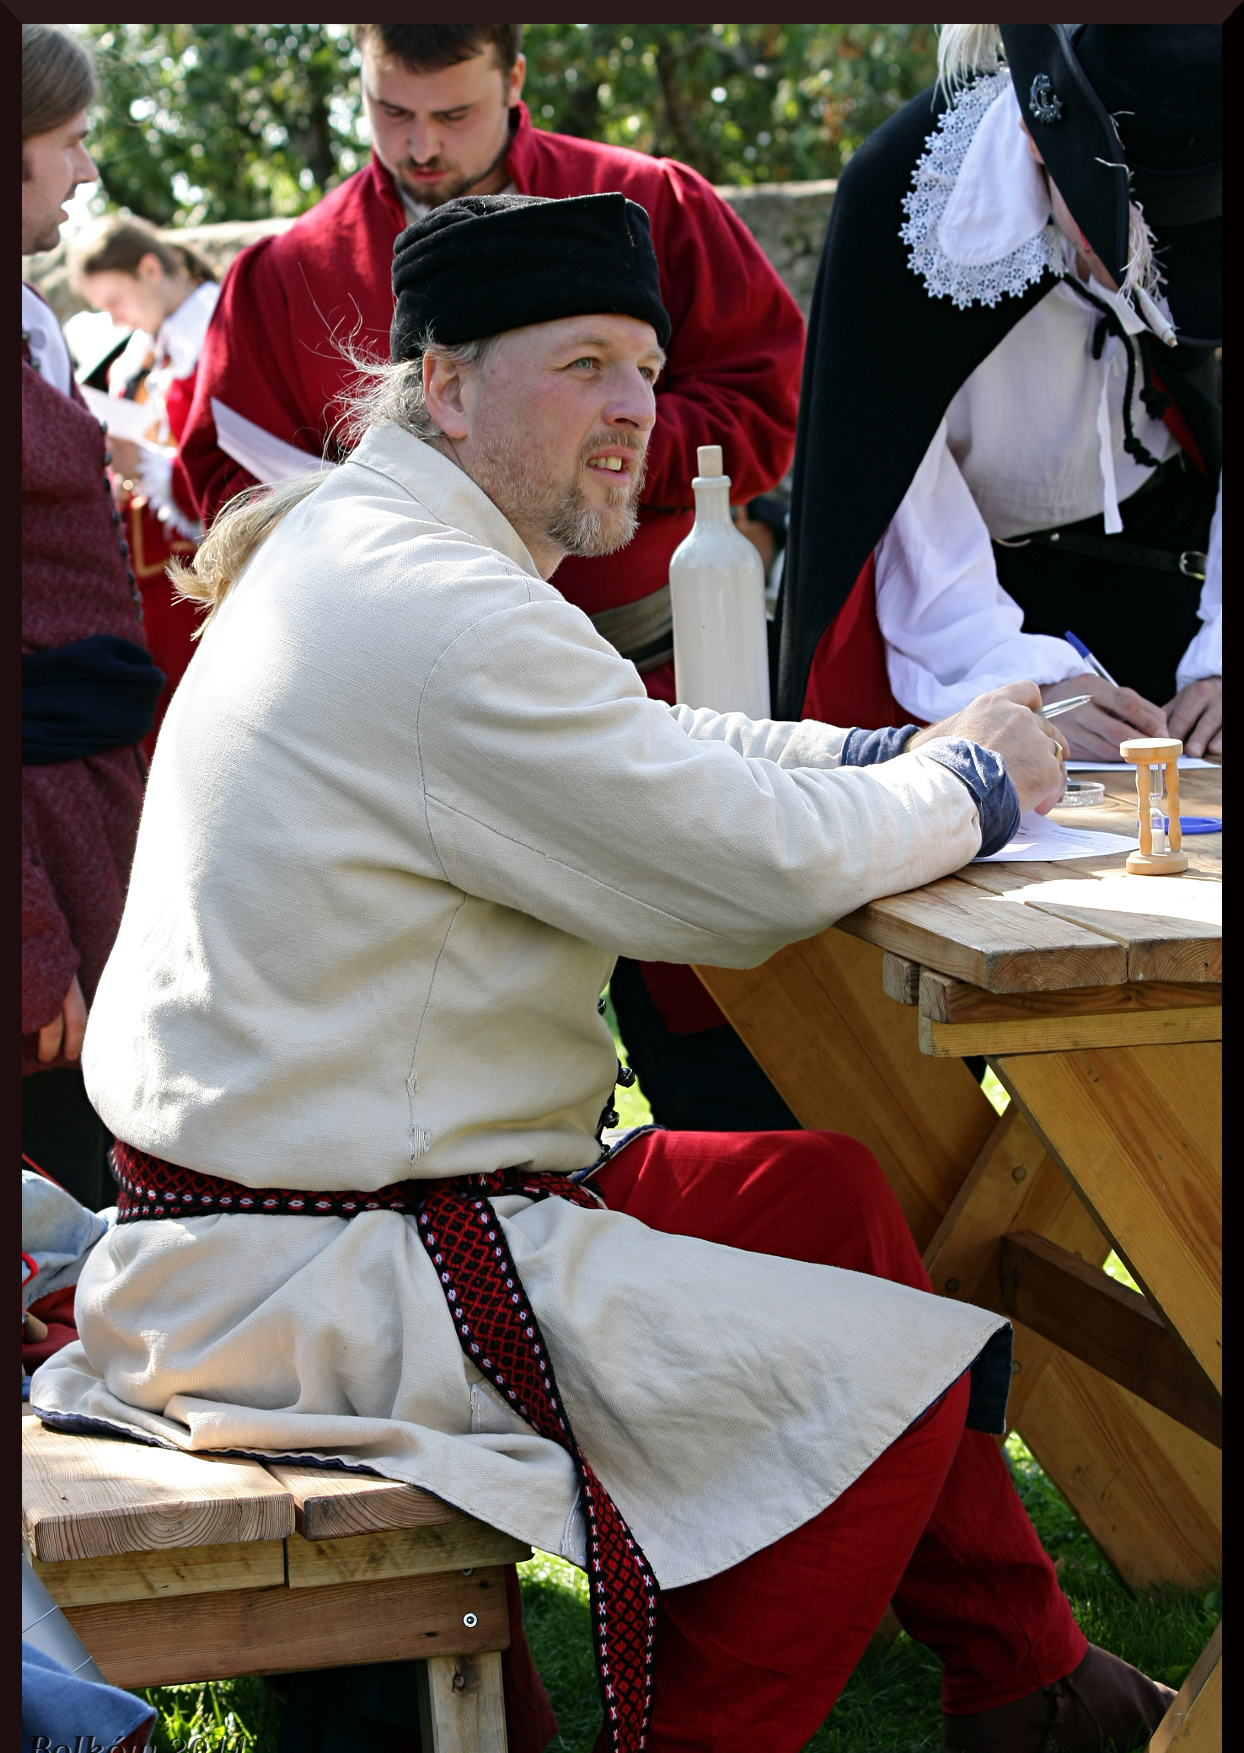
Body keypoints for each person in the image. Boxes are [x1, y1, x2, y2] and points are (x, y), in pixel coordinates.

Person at [34, 192, 1171, 1753]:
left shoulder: (394, 550)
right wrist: (976, 784)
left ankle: (1020, 1678)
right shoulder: (433, 604)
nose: (636, 405)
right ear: (444, 386)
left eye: (645, 365)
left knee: (815, 1195)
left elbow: (652, 748)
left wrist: (898, 755)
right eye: (581, 365)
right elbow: (738, 869)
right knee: (876, 1388)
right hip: (324, 1272)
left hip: (326, 1218)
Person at [176, 22, 807, 1130]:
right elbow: (224, 479)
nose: (420, 145)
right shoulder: (282, 274)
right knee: (475, 1071)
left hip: (658, 679)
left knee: (733, 1065)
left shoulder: (650, 204)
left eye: (453, 112)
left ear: (513, 79)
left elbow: (768, 394)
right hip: (414, 747)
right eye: (391, 111)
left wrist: (580, 451)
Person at [778, 23, 1221, 767]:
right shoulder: (911, 198)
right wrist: (1023, 680)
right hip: (974, 606)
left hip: (1181, 567)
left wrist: (1220, 655)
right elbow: (901, 489)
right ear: (1038, 142)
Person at [22, 25, 164, 1211]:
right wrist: (28, 943)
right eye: (68, 143)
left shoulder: (28, 320)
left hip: (85, 814)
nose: (85, 172)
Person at [69, 218, 220, 743]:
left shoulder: (215, 327)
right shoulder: (141, 348)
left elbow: (229, 459)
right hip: (152, 572)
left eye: (115, 301)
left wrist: (151, 466)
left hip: (204, 569)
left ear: (150, 269)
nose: (113, 318)